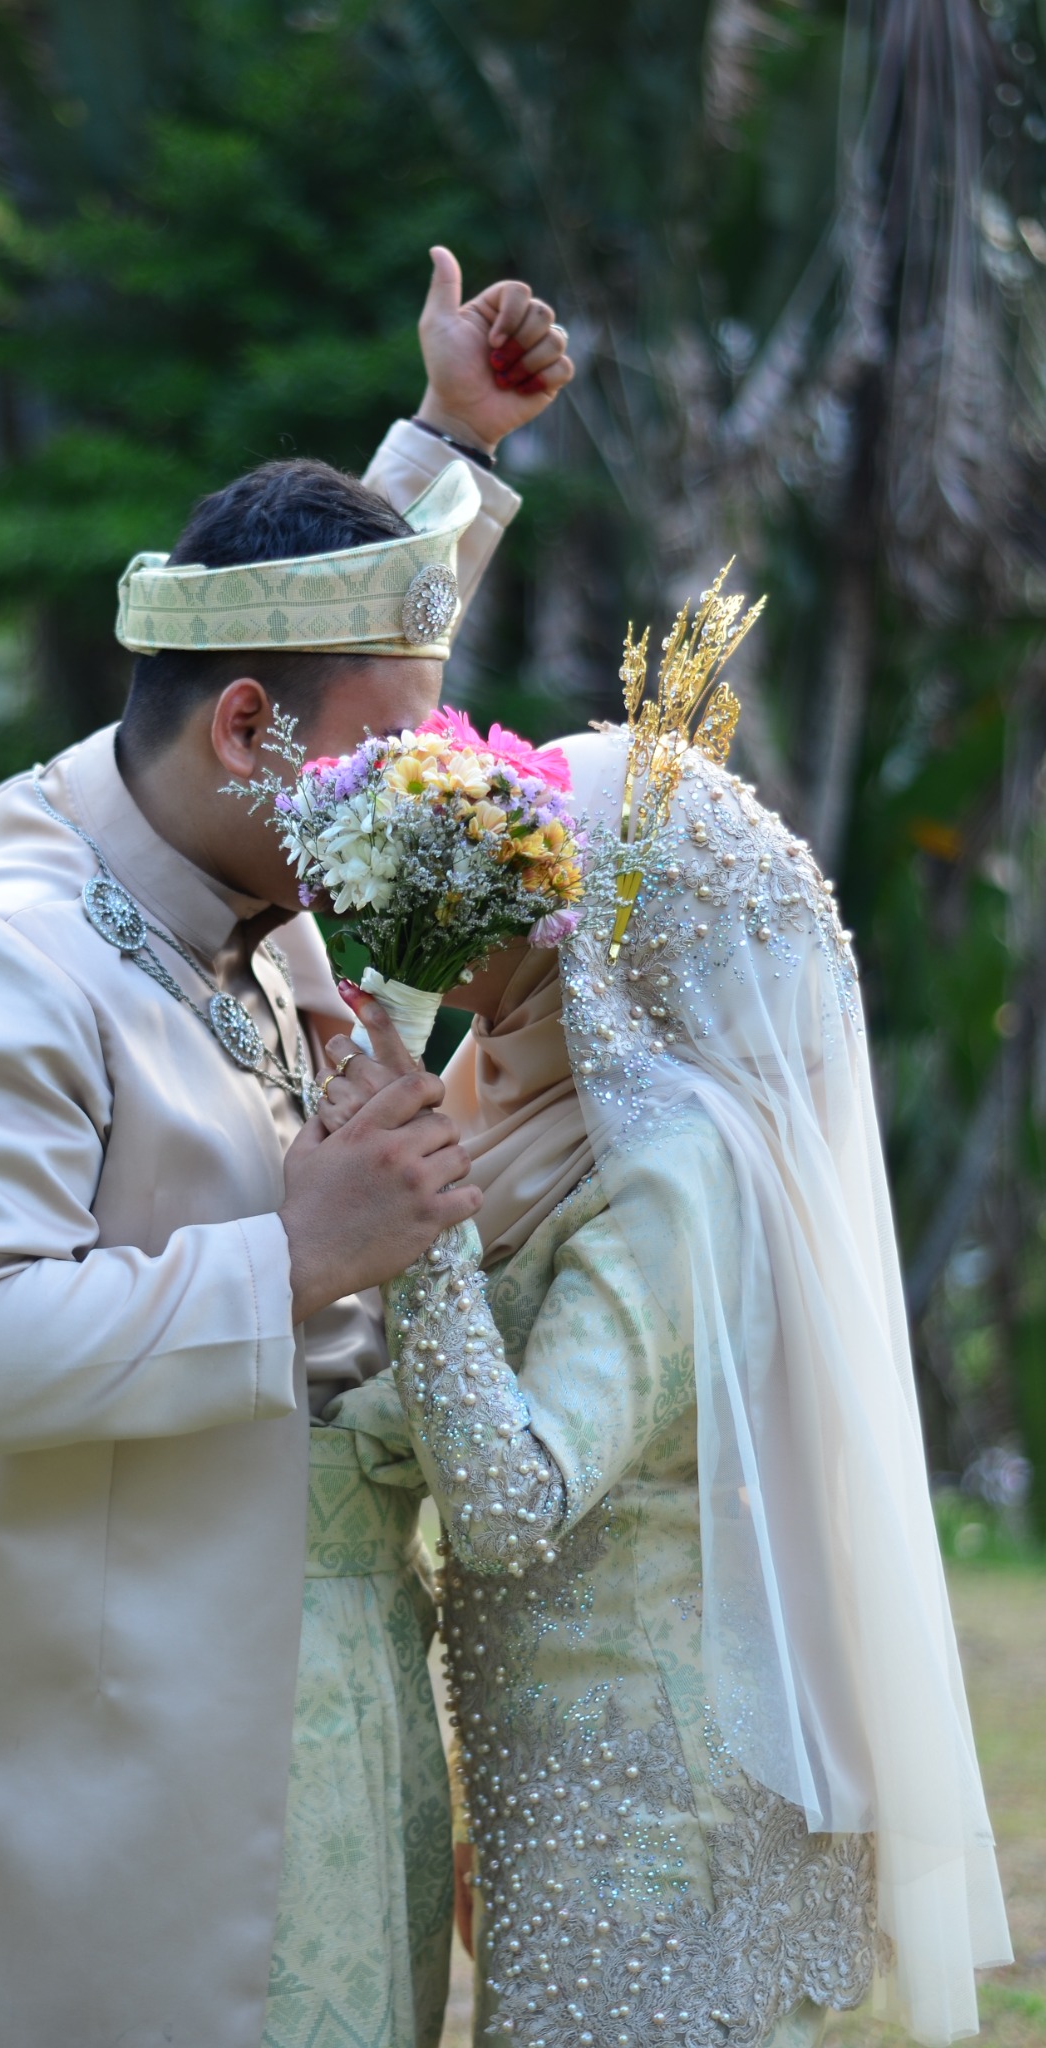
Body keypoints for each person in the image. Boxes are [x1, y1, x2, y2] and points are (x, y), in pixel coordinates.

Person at [0, 248, 574, 2048]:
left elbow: (336, 654)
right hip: (71, 1768)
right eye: (393, 765)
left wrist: (451, 444)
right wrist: (295, 1257)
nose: (420, 799)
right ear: (244, 732)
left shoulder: (251, 852)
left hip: (280, 1714)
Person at [322, 718, 1012, 2048]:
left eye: (520, 884)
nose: (474, 917)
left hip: (646, 1790)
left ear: (606, 935)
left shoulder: (674, 1172)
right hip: (554, 1758)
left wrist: (420, 1238)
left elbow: (515, 1502)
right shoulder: (531, 1111)